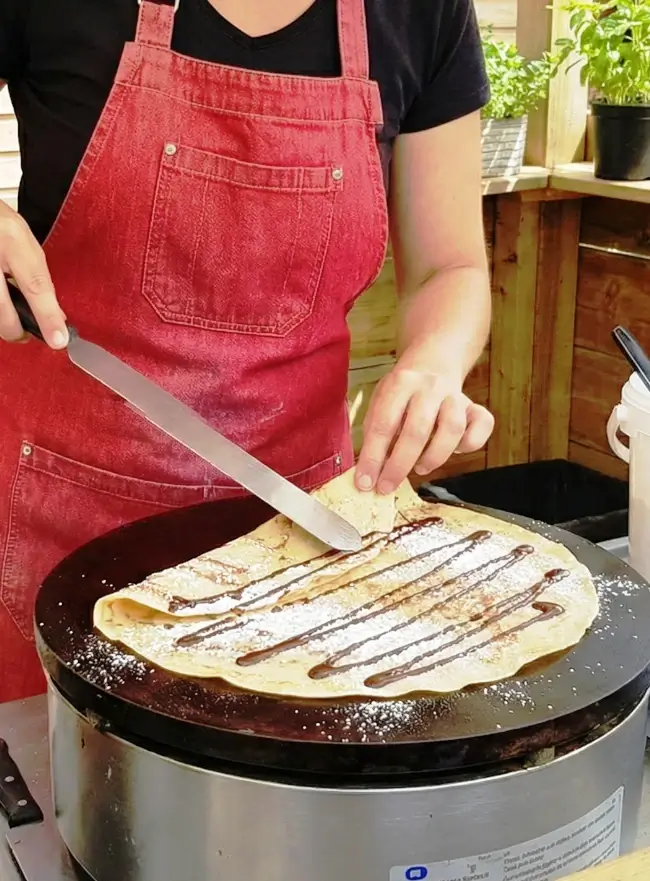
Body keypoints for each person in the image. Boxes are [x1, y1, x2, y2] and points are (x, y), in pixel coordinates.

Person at [0, 0, 494, 703]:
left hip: (298, 537)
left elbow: (453, 268)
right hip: (58, 517)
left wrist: (434, 362)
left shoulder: (424, 11)